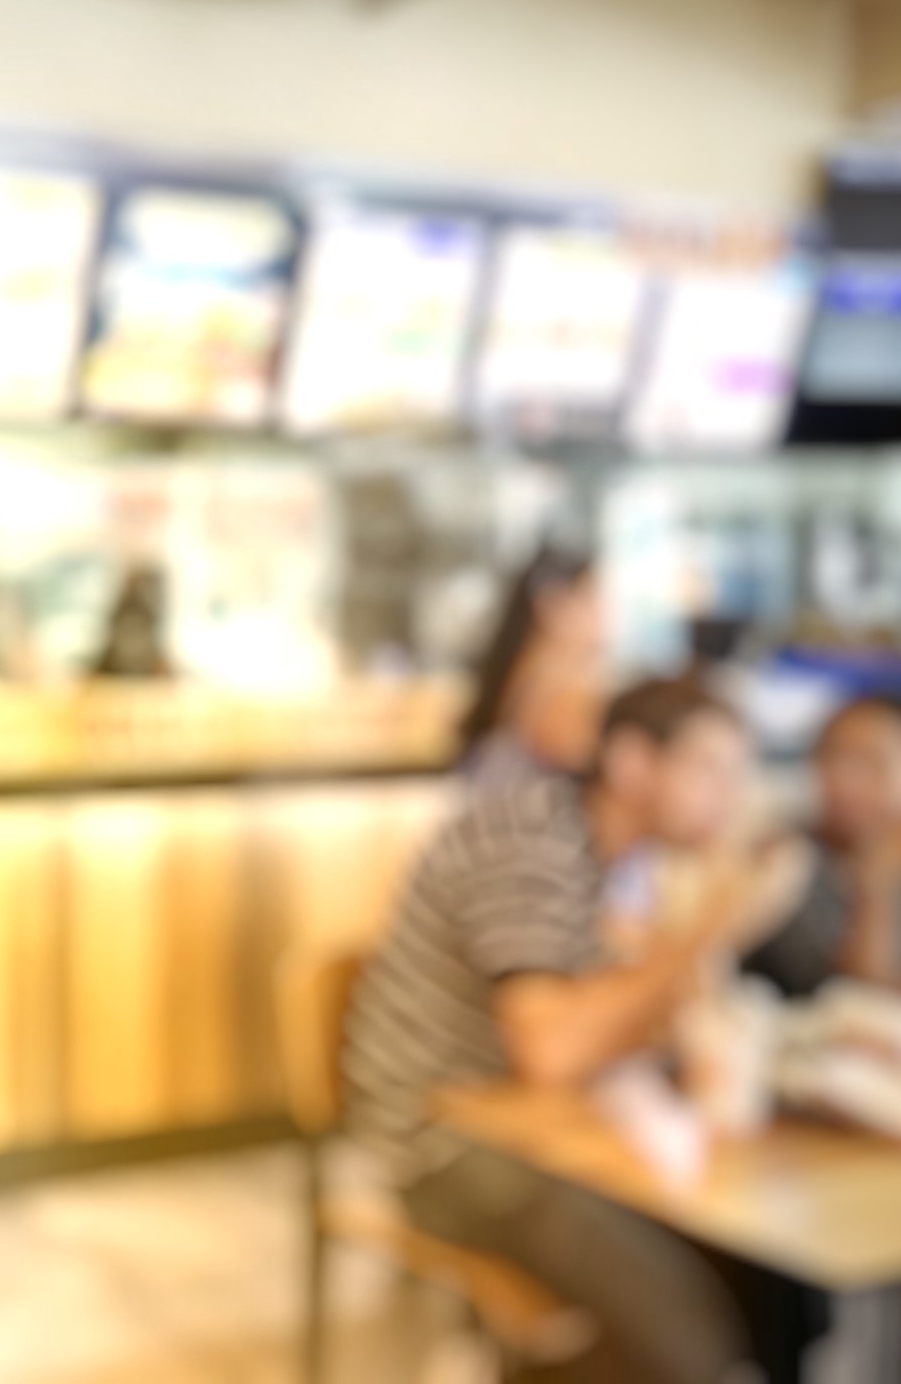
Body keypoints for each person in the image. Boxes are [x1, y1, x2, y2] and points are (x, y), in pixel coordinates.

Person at [346, 677, 809, 1384]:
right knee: (686, 1334)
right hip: (443, 1138)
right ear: (632, 763)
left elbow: (621, 1017)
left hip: (551, 1125)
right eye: (710, 769)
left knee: (768, 1278)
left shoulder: (618, 857)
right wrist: (717, 927)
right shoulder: (528, 841)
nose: (732, 797)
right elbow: (553, 1053)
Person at [746, 693, 901, 998]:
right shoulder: (787, 859)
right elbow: (861, 996)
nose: (844, 780)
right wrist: (879, 886)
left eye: (871, 762)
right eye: (830, 757)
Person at [457, 546, 608, 789]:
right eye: (591, 597)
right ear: (551, 604)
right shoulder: (561, 686)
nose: (605, 612)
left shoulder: (525, 669)